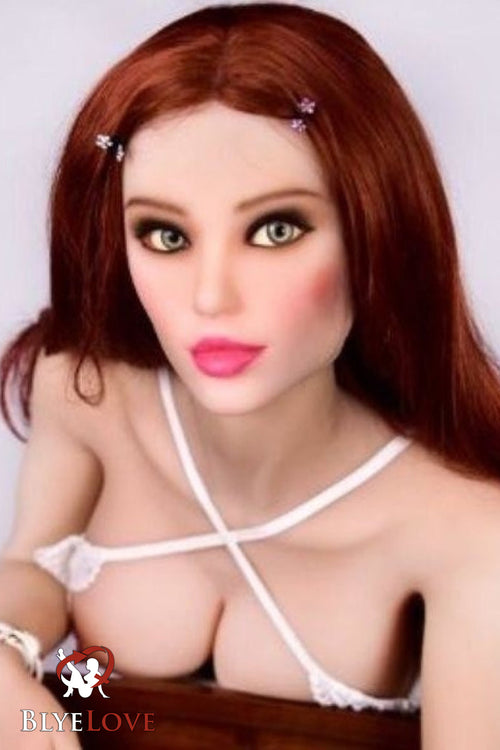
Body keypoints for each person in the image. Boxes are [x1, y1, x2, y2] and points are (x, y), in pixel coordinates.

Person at [0, 2, 499, 747]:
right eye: (164, 234)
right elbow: (33, 568)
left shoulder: (466, 529)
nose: (211, 298)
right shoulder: (88, 394)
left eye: (275, 229)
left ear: (377, 231)